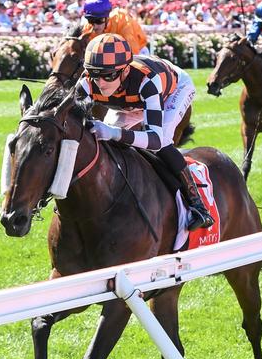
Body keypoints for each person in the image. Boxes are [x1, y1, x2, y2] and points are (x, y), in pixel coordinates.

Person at [76, 33, 214, 231]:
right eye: (94, 73)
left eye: (108, 75)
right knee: (104, 142)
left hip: (172, 91)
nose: (101, 83)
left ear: (124, 71)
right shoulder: (87, 82)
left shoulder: (147, 81)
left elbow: (155, 140)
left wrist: (114, 132)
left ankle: (198, 205)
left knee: (163, 141)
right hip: (130, 103)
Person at [82, 0, 148, 55]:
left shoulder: (123, 21)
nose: (95, 26)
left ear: (107, 17)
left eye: (98, 21)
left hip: (138, 51)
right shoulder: (89, 27)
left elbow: (132, 53)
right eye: (90, 20)